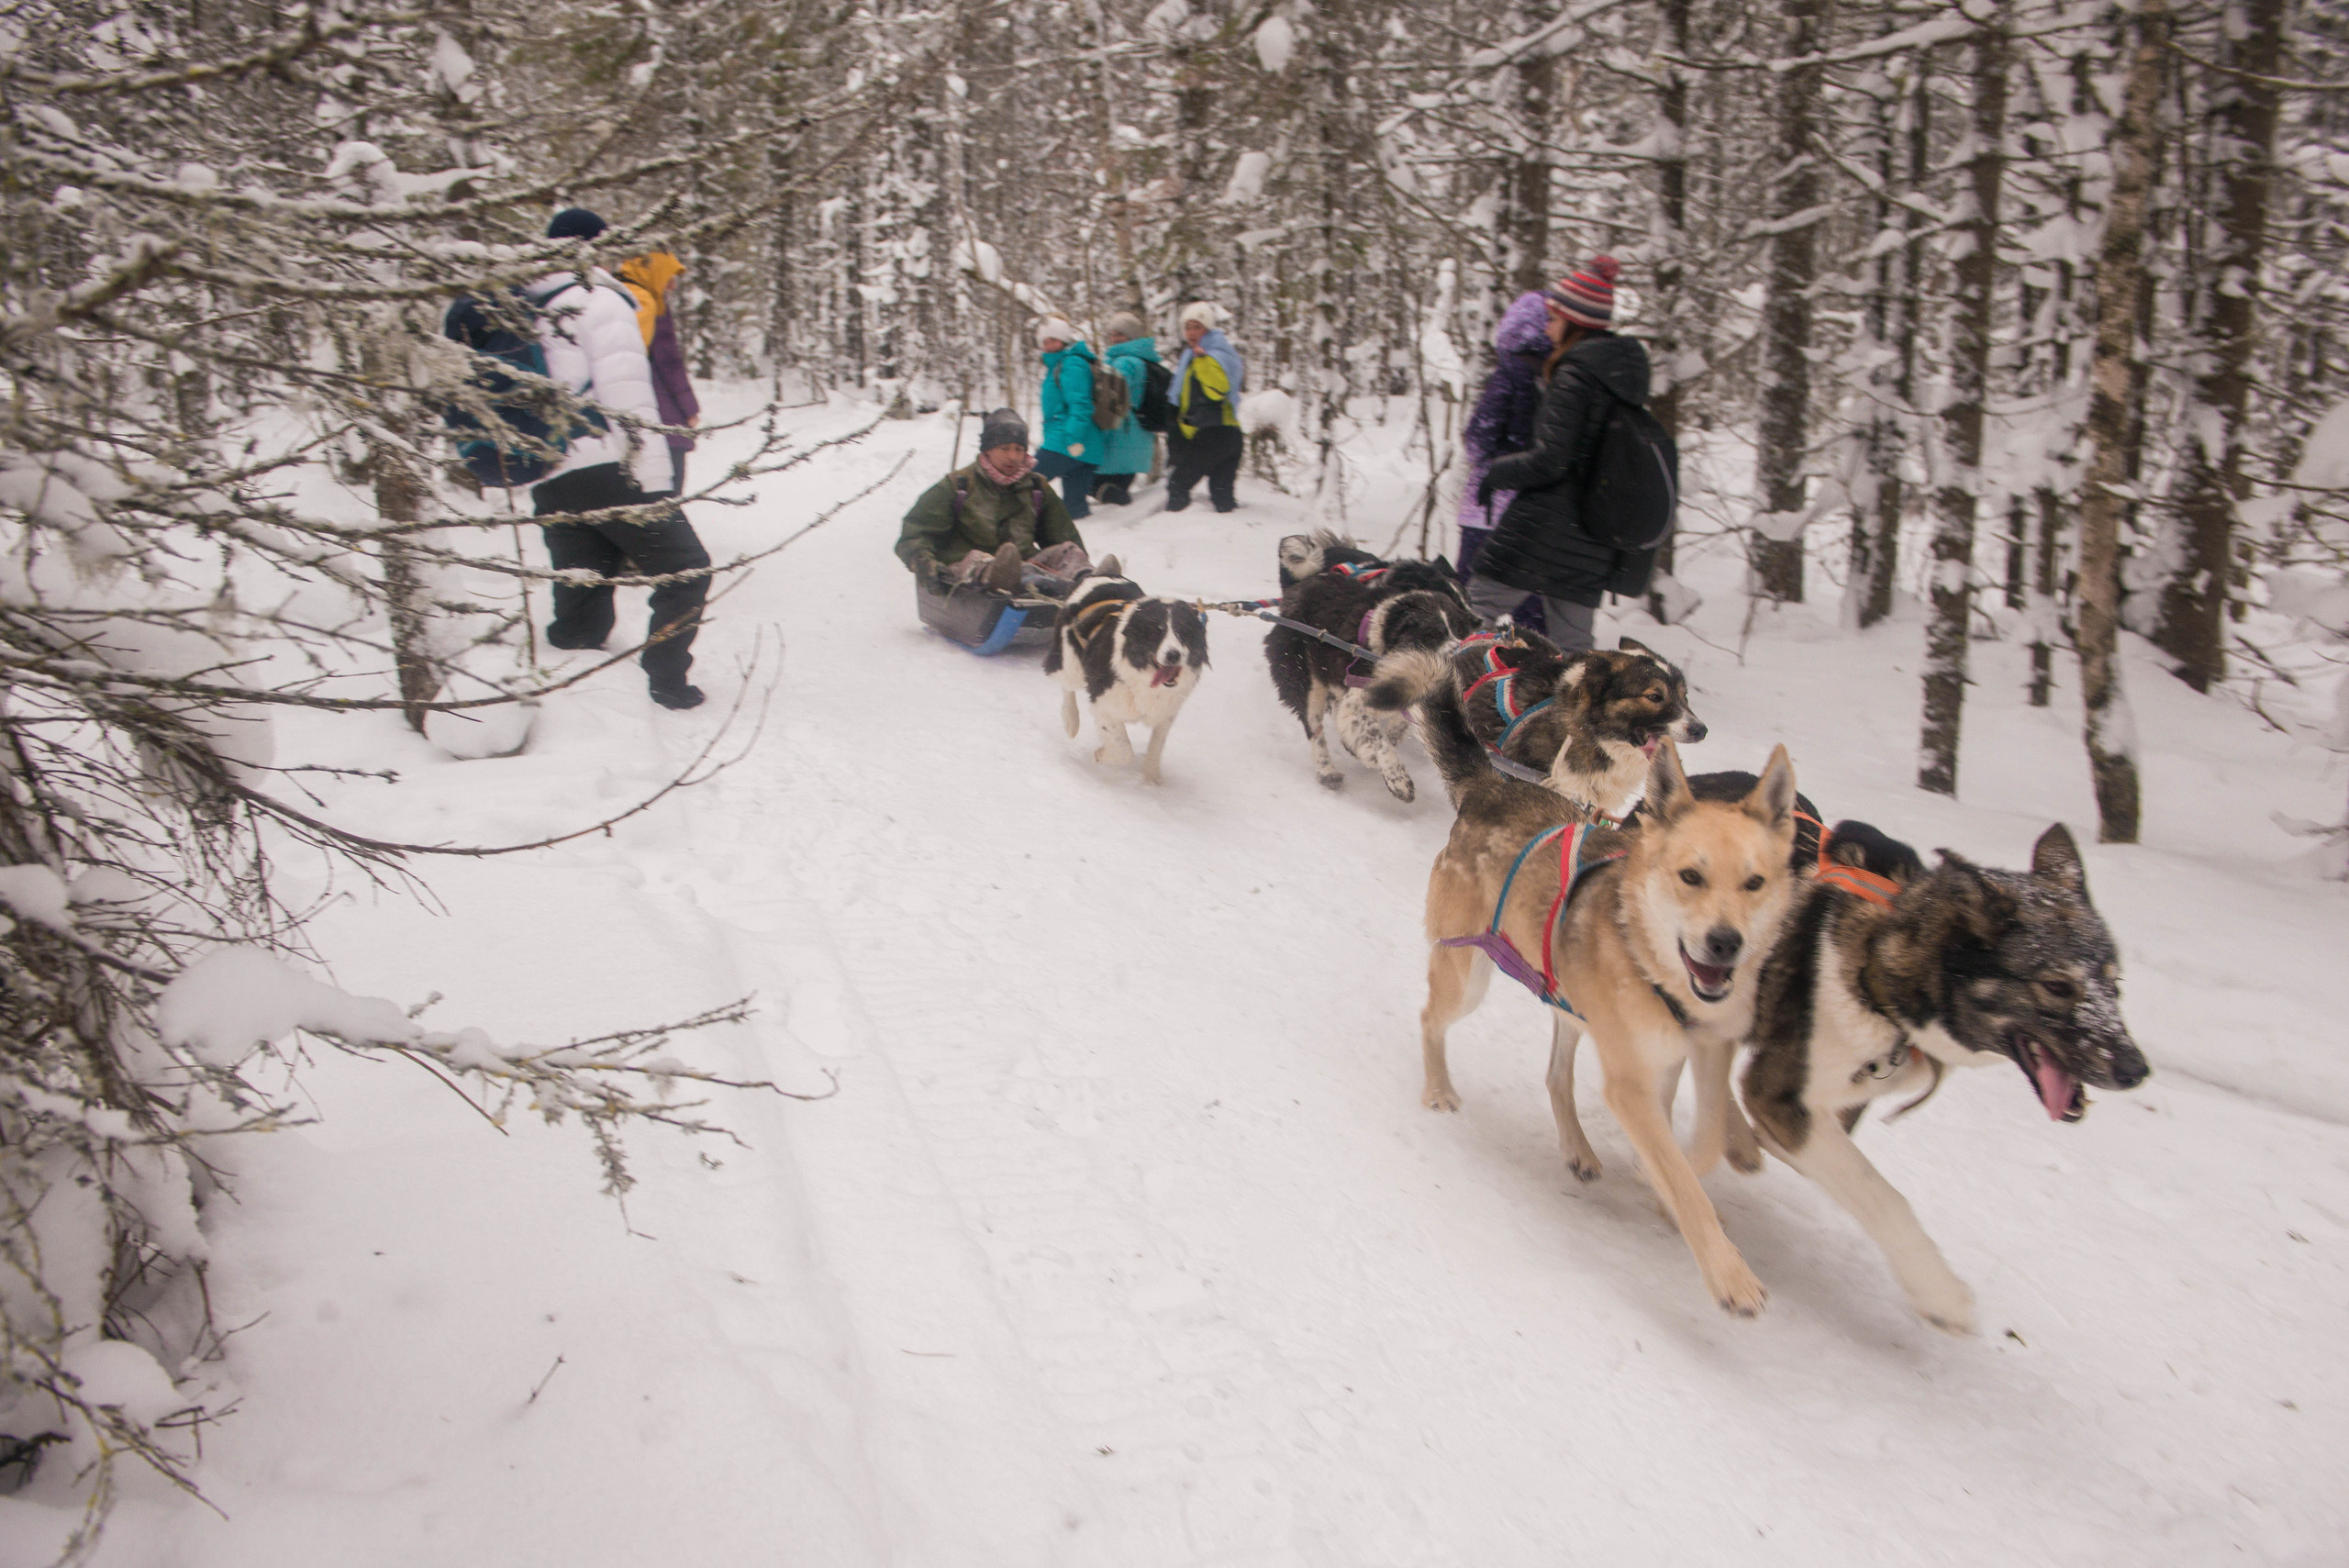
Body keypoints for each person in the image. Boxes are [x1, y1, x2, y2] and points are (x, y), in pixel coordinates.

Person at [529, 207, 712, 711]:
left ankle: (575, 694)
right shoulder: (600, 299)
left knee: (585, 582)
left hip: (551, 469)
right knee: (687, 569)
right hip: (610, 463)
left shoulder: (528, 305)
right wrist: (652, 477)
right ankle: (666, 680)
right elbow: (626, 392)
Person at [1468, 256, 1652, 656]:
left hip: (1545, 526)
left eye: (1554, 319)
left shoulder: (1575, 374)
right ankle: (1575, 703)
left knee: (1472, 614)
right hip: (1592, 540)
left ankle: (1449, 694)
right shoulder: (1619, 378)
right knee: (1574, 652)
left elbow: (1553, 459)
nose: (1548, 328)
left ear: (1574, 323)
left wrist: (1497, 472)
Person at [896, 408, 1090, 593]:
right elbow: (916, 534)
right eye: (1004, 448)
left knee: (1069, 552)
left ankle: (1088, 585)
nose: (1012, 456)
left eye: (1019, 449)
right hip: (968, 572)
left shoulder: (1036, 488)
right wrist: (924, 563)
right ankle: (1015, 579)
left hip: (1026, 567)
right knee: (979, 561)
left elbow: (1064, 536)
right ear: (987, 450)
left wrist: (1073, 561)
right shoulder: (958, 486)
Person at [1456, 291, 1553, 635]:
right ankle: (1534, 662)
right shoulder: (1560, 377)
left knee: (1469, 605)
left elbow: (1478, 438)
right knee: (1531, 613)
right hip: (1536, 514)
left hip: (1487, 508)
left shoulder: (1508, 374)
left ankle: (1464, 662)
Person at [616, 250, 700, 495]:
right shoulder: (647, 302)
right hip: (660, 413)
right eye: (668, 277)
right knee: (667, 495)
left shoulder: (614, 294)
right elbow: (668, 361)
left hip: (626, 414)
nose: (672, 285)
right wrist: (690, 409)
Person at [1166, 302, 1244, 513]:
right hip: (1226, 434)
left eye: (1197, 327)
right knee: (1222, 497)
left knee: (1178, 484)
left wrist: (1202, 361)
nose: (1191, 333)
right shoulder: (1193, 356)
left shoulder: (1214, 355)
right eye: (1187, 327)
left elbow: (1218, 390)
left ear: (1207, 329)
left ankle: (1170, 526)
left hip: (1215, 434)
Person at [1089, 311, 1161, 506]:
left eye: (1120, 334)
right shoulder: (1142, 360)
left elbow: (1109, 398)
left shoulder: (1125, 362)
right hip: (1136, 440)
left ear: (1132, 336)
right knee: (1112, 492)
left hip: (1120, 437)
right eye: (1112, 334)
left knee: (1089, 482)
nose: (1115, 339)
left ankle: (1131, 514)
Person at [1033, 317, 1102, 520]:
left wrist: (1073, 439)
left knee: (1024, 484)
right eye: (1045, 342)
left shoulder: (1072, 364)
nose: (1049, 346)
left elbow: (1081, 405)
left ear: (1064, 340)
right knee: (1075, 510)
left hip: (1068, 443)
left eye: (1053, 340)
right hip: (1082, 447)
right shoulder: (1058, 365)